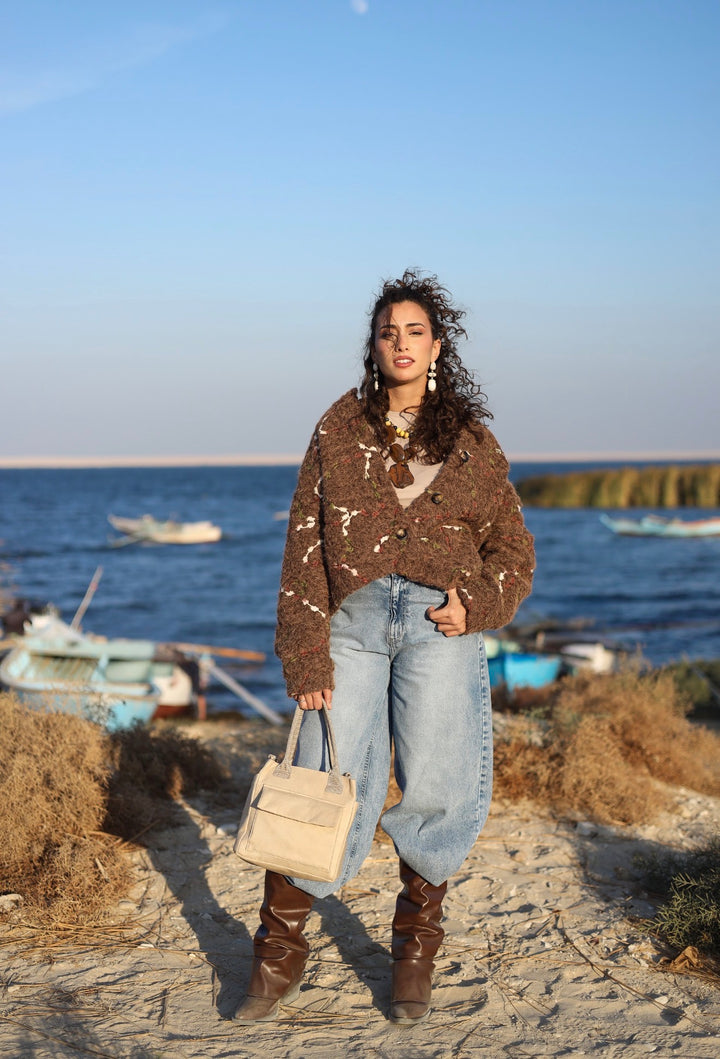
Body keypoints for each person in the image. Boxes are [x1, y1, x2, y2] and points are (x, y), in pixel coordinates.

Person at [235, 269, 535, 1025]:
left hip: (443, 624)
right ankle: (280, 947)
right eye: (387, 331)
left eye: (414, 331)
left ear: (437, 345)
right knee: (321, 772)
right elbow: (304, 545)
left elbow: (512, 545)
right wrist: (303, 653)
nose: (400, 343)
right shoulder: (338, 427)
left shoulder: (470, 439)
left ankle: (414, 945)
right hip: (353, 624)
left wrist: (483, 604)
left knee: (437, 779)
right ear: (373, 345)